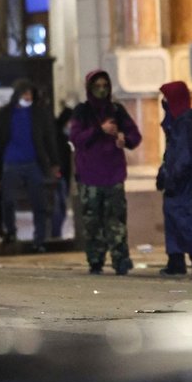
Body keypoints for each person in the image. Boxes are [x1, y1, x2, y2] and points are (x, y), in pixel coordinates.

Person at [68, 70, 141, 275]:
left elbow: (135, 136)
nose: (101, 90)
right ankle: (96, 259)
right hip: (89, 177)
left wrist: (124, 139)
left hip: (113, 175)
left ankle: (121, 260)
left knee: (116, 221)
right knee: (92, 222)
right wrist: (99, 130)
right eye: (97, 86)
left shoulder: (117, 110)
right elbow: (76, 138)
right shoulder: (82, 112)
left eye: (104, 86)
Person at [0, 79, 60, 253]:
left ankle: (39, 239)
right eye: (24, 94)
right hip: (10, 162)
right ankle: (11, 232)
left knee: (39, 202)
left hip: (33, 162)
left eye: (30, 94)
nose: (27, 97)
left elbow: (49, 138)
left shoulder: (39, 113)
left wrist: (55, 162)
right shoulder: (6, 114)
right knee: (7, 201)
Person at [155, 81, 192, 276]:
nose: (164, 103)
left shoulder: (186, 124)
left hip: (187, 186)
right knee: (176, 222)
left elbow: (184, 156)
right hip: (180, 184)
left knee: (190, 223)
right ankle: (176, 261)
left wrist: (172, 177)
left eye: (166, 98)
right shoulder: (177, 122)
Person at [52, 100, 75, 238]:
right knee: (58, 208)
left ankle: (56, 234)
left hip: (63, 177)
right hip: (58, 177)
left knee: (61, 208)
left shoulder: (65, 139)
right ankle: (55, 235)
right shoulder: (58, 139)